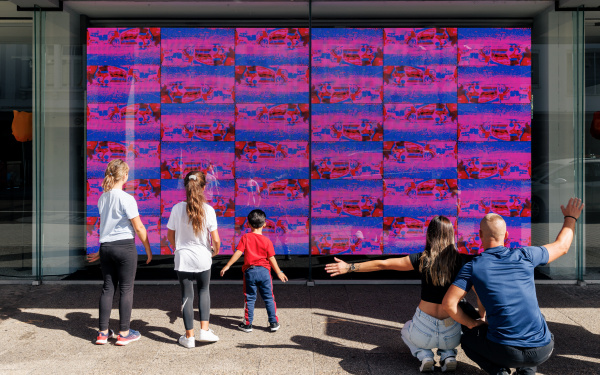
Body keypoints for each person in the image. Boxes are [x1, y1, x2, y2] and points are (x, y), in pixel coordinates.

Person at [442, 198, 584, 375]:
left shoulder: (473, 266)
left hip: (504, 352)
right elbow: (562, 246)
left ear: (479, 235)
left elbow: (449, 304)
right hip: (542, 350)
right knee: (537, 319)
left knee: (468, 341)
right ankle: (527, 371)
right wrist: (571, 216)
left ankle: (498, 372)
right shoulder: (526, 255)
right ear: (507, 235)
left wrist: (472, 323)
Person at [325, 216, 468, 373]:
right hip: (452, 334)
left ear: (429, 235)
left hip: (423, 331)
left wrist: (349, 267)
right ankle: (448, 355)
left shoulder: (421, 259)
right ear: (451, 235)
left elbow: (382, 264)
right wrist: (482, 316)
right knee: (452, 328)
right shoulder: (463, 262)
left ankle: (425, 356)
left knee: (406, 329)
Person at [86, 158, 152, 346]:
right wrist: (147, 249)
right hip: (124, 247)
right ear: (124, 176)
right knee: (126, 289)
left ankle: (102, 333)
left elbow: (105, 227)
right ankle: (124, 333)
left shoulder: (102, 198)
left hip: (106, 248)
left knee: (108, 288)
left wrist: (101, 250)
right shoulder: (127, 198)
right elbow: (138, 227)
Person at [166, 171, 221, 348]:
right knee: (204, 291)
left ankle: (189, 337)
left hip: (183, 258)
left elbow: (170, 235)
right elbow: (216, 240)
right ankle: (205, 331)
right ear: (204, 187)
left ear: (185, 187)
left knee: (186, 295)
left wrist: (177, 248)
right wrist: (214, 251)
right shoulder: (209, 210)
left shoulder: (176, 208)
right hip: (203, 257)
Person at [220, 209, 288, 332]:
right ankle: (273, 323)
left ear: (248, 224)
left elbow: (238, 253)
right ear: (265, 224)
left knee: (250, 298)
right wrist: (279, 272)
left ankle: (247, 324)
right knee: (269, 298)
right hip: (264, 272)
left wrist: (227, 265)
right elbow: (271, 258)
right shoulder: (267, 241)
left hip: (249, 272)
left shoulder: (245, 237)